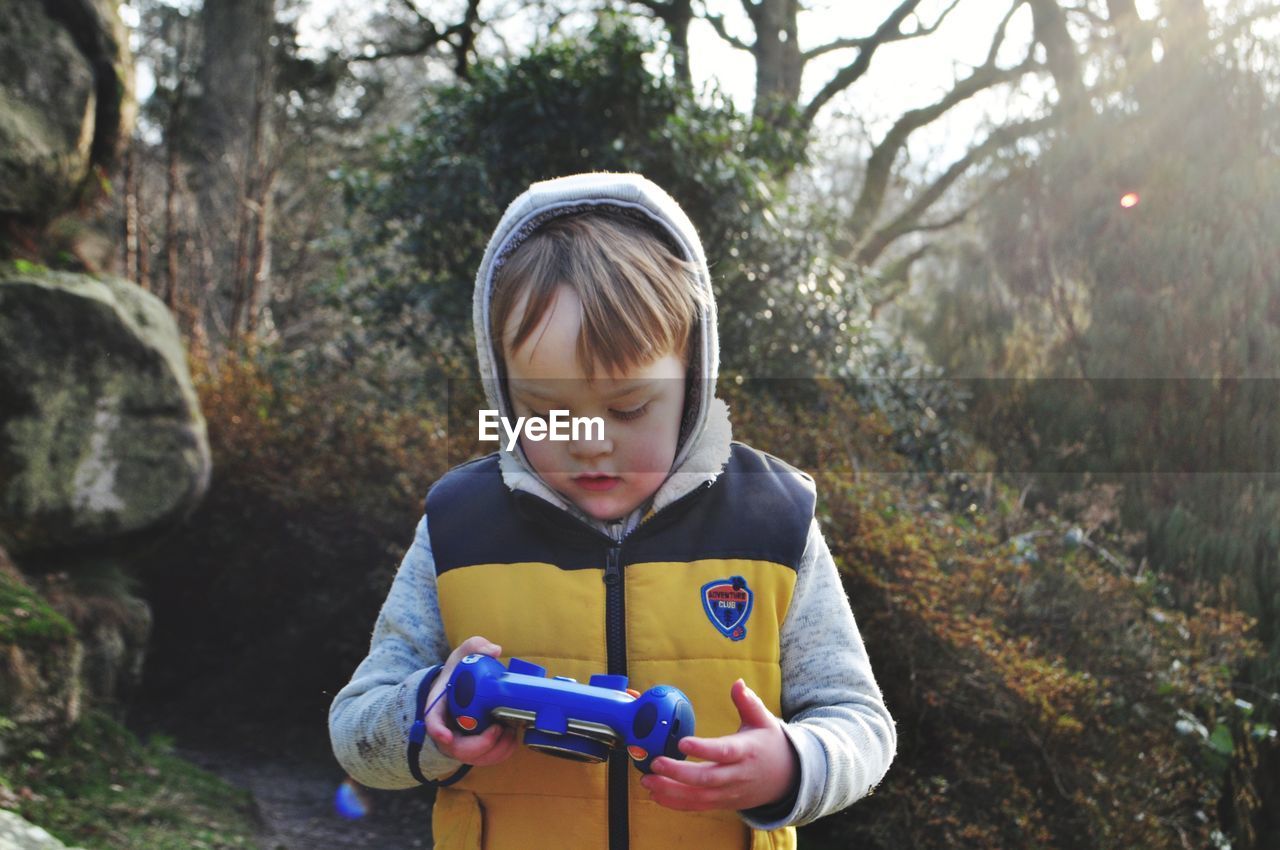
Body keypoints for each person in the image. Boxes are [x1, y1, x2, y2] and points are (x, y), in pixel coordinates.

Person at [329, 172, 896, 850]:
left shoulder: (774, 524)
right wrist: (423, 717)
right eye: (545, 412)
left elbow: (860, 722)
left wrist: (793, 765)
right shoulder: (458, 527)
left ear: (692, 379)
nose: (588, 443)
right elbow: (355, 727)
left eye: (628, 409)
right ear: (504, 393)